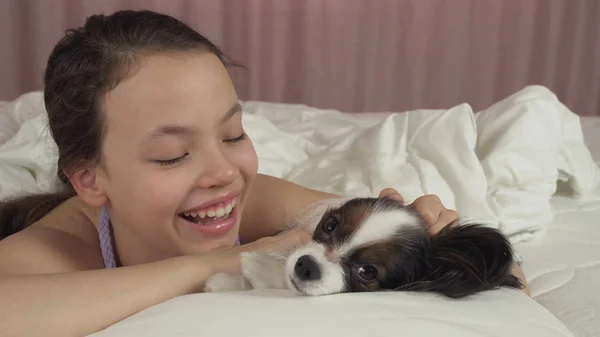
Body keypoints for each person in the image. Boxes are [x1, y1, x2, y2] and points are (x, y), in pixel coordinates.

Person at [0, 9, 530, 337]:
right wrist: (229, 259)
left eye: (233, 134)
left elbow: (493, 275)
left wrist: (443, 238)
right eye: (172, 155)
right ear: (90, 179)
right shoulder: (54, 249)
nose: (223, 172)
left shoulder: (253, 200)